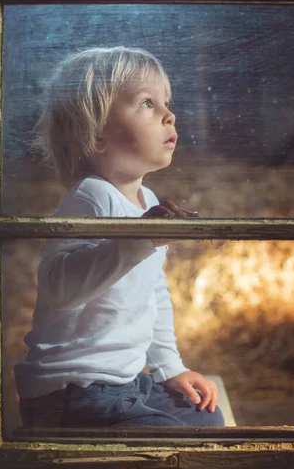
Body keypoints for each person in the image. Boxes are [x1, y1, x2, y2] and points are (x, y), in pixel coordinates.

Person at [14, 46, 225, 428]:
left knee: (207, 419)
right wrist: (138, 239)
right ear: (96, 135)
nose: (169, 114)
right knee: (182, 441)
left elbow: (153, 292)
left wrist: (169, 369)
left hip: (124, 384)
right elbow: (59, 286)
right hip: (72, 393)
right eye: (147, 103)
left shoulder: (148, 201)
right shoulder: (91, 195)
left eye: (166, 102)